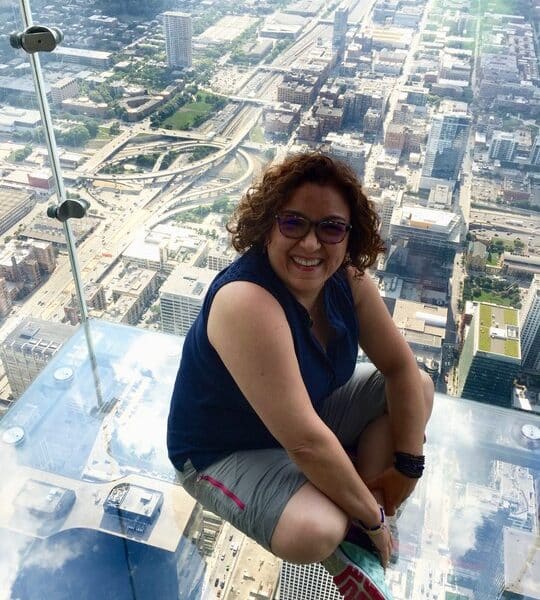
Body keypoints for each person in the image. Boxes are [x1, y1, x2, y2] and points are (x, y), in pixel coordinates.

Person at [167, 152, 433, 599]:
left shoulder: (348, 282)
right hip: (223, 450)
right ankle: (360, 526)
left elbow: (402, 369)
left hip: (304, 417)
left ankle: (363, 510)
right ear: (267, 227)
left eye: (330, 228)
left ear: (349, 235)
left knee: (418, 391)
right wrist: (374, 519)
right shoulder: (246, 301)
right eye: (293, 223)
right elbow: (305, 441)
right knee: (316, 530)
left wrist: (407, 468)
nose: (311, 244)